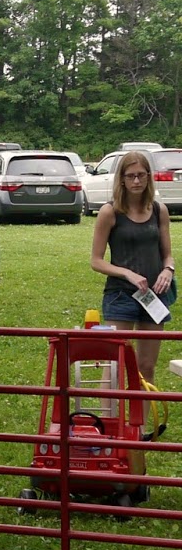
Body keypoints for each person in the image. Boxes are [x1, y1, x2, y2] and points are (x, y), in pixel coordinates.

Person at [91, 150, 174, 384]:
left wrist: (168, 270)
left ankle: (141, 422)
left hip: (154, 296)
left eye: (141, 175)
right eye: (130, 176)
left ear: (149, 177)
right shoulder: (110, 212)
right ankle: (107, 421)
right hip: (120, 295)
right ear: (122, 179)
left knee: (146, 367)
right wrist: (127, 273)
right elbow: (96, 261)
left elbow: (168, 255)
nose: (136, 181)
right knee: (113, 367)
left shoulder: (159, 211)